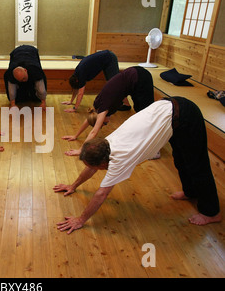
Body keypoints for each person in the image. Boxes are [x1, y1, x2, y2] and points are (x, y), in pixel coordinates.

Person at [54, 97, 222, 234]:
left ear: (104, 163)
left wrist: (81, 219)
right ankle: (190, 192)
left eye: (95, 167)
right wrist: (73, 185)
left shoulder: (119, 158)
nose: (92, 169)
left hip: (185, 115)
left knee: (197, 164)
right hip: (168, 113)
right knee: (180, 158)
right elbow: (91, 166)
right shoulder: (105, 144)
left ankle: (212, 212)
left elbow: (101, 194)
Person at [63, 66, 155, 156]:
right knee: (139, 110)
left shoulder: (103, 109)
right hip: (133, 75)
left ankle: (155, 149)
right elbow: (88, 119)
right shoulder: (96, 106)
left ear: (100, 118)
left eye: (105, 124)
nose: (107, 123)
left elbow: (94, 132)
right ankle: (146, 140)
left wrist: (80, 150)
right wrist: (75, 135)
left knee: (147, 113)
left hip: (141, 78)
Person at [4, 45, 47, 109]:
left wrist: (43, 102)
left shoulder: (35, 71)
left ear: (25, 70)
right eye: (21, 80)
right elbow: (11, 91)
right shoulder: (10, 74)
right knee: (20, 99)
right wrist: (13, 104)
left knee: (36, 98)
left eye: (24, 78)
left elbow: (41, 89)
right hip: (16, 53)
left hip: (32, 52)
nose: (23, 81)